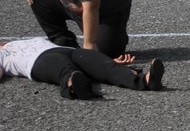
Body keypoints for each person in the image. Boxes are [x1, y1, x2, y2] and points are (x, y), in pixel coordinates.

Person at [1, 36, 163, 98]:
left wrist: (108, 60)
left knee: (105, 65)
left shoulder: (16, 42)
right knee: (64, 69)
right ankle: (75, 86)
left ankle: (146, 80)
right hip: (37, 61)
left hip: (69, 52)